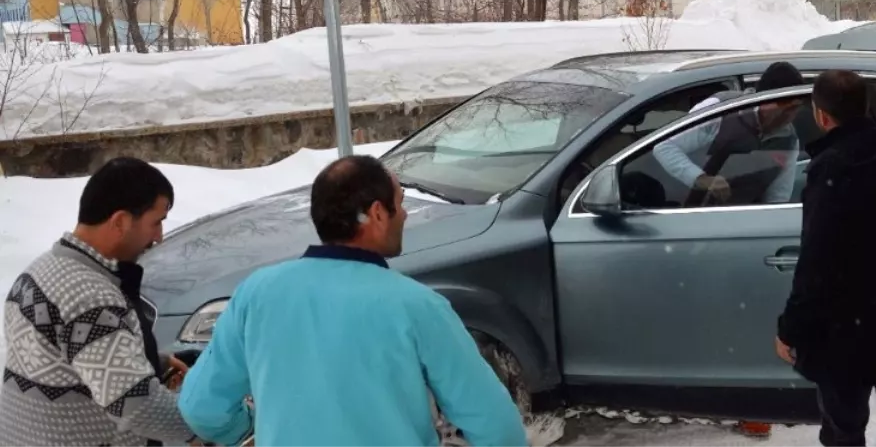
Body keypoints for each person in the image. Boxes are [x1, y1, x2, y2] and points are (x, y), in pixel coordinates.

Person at [178, 155, 526, 447]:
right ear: (377, 213)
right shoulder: (416, 307)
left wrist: (248, 426)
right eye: (400, 202)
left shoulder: (256, 293)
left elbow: (201, 408)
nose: (404, 215)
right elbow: (498, 428)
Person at [0, 157, 198, 447]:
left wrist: (150, 360)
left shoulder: (40, 271)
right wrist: (202, 430)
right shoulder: (90, 296)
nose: (159, 237)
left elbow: (60, 360)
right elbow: (136, 403)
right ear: (120, 221)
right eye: (155, 223)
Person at [774, 70, 876, 447]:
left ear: (821, 116)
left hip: (841, 331)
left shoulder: (831, 168)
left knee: (843, 428)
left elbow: (816, 260)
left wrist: (790, 328)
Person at [653, 61, 804, 207]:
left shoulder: (789, 140)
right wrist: (702, 179)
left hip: (743, 221)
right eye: (784, 107)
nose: (788, 116)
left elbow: (777, 197)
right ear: (764, 98)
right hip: (693, 211)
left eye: (795, 109)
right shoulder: (720, 110)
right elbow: (664, 147)